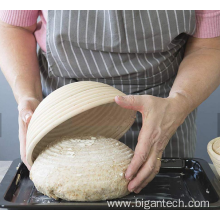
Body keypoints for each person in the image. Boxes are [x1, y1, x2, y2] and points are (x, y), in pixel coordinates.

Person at [0, 10, 220, 194]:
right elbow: (13, 27)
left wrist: (178, 103)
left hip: (161, 110)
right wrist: (28, 96)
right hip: (63, 113)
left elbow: (209, 45)